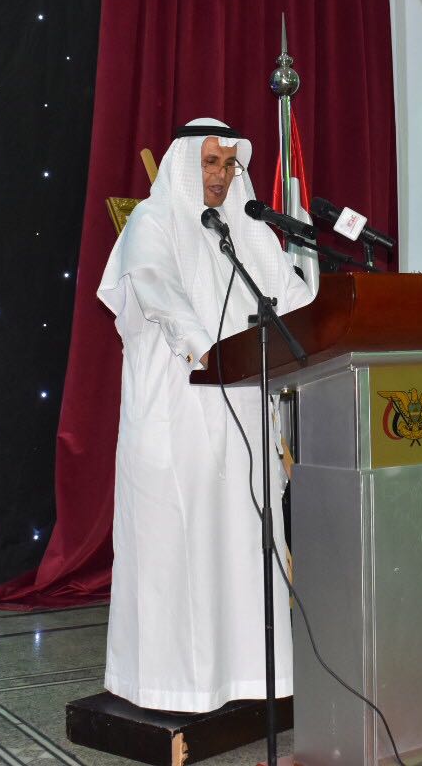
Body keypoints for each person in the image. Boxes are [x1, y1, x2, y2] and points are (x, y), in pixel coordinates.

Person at [98, 117, 314, 713]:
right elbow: (160, 295)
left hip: (241, 413)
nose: (220, 175)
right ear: (187, 164)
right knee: (180, 549)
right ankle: (170, 687)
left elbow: (297, 300)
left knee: (240, 546)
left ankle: (248, 678)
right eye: (210, 163)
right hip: (177, 414)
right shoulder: (153, 221)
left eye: (229, 164)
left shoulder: (246, 230)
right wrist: (211, 352)